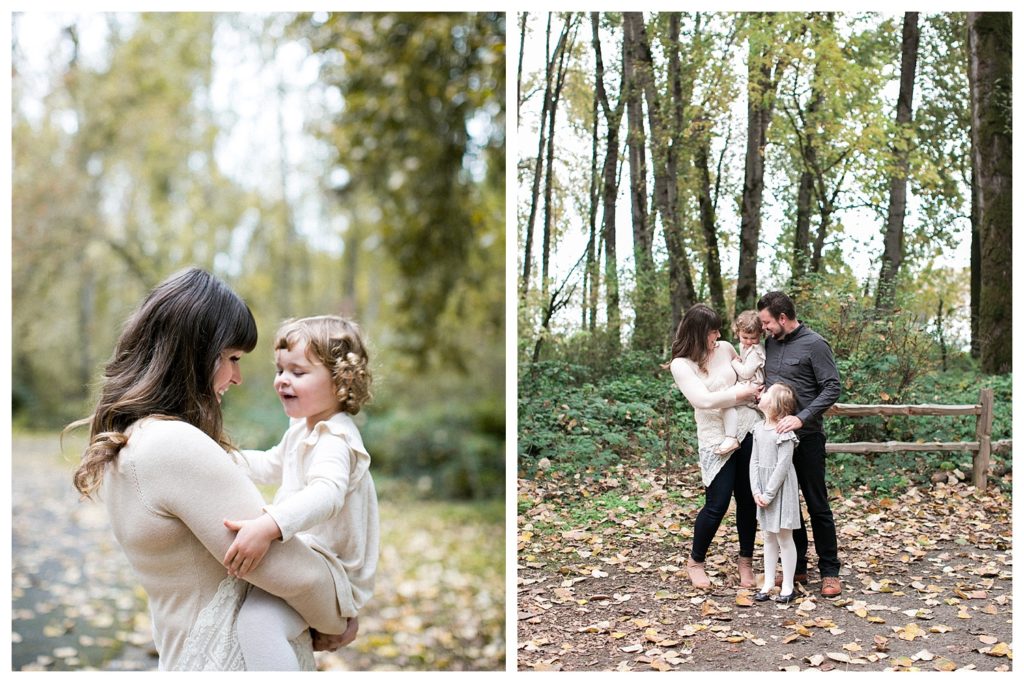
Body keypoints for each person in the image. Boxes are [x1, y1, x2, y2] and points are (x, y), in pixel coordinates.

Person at [70, 268, 358, 670]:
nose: (238, 377)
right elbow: (291, 572)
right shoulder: (175, 444)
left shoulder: (134, 439)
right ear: (195, 353)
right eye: (232, 358)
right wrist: (339, 619)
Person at [224, 316, 380, 671]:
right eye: (281, 370)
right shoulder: (301, 429)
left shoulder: (335, 438)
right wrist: (219, 457)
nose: (282, 380)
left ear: (342, 380)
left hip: (334, 574)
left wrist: (270, 525)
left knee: (258, 623)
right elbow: (267, 464)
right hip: (309, 563)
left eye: (298, 372)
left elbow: (327, 494)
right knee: (256, 618)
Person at [668, 303, 763, 589]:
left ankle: (745, 561)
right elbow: (704, 401)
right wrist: (740, 393)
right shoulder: (681, 365)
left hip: (747, 428)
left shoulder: (724, 349)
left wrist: (756, 392)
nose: (719, 335)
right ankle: (696, 561)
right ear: (698, 333)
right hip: (714, 437)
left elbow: (748, 372)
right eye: (713, 331)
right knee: (717, 503)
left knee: (748, 499)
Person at [756, 290, 843, 597]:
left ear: (782, 318)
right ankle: (799, 568)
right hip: (776, 441)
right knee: (787, 507)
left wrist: (802, 417)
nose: (764, 327)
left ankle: (830, 571)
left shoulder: (815, 344)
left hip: (807, 438)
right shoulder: (770, 343)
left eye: (767, 322)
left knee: (817, 504)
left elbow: (832, 387)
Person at [749, 383, 801, 604]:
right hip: (762, 489)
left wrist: (768, 493)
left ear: (777, 404)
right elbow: (754, 460)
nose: (762, 394)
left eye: (767, 393)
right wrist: (756, 490)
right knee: (768, 537)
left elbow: (782, 466)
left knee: (784, 536)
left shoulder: (784, 432)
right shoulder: (759, 428)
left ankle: (788, 586)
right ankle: (768, 582)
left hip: (780, 489)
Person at [716, 310, 766, 456]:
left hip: (752, 386)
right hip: (745, 384)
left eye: (754, 338)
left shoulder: (756, 351)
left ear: (760, 334)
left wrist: (733, 362)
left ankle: (731, 438)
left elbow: (746, 373)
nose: (749, 341)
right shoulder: (743, 346)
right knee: (723, 400)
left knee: (724, 401)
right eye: (745, 337)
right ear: (737, 332)